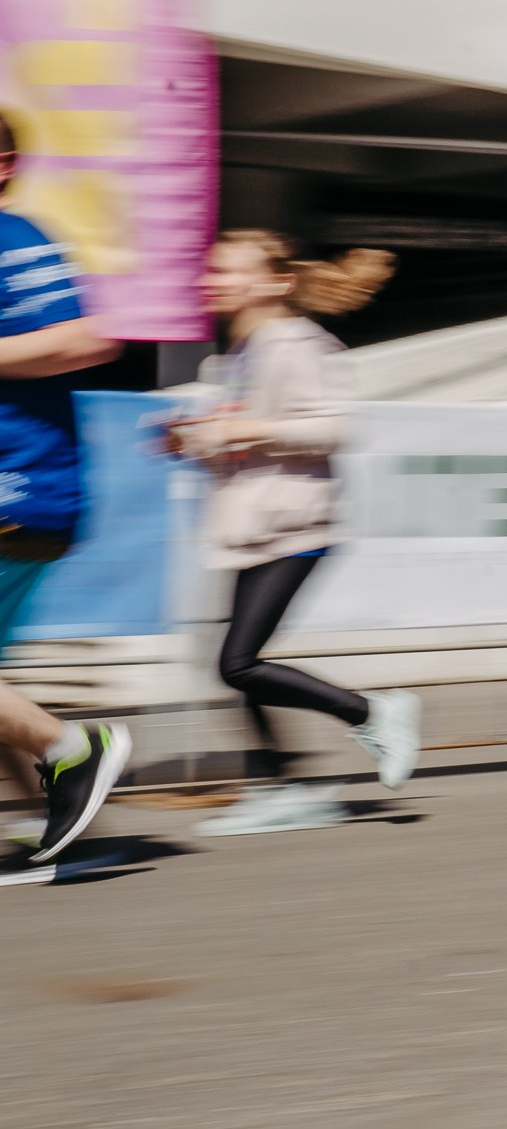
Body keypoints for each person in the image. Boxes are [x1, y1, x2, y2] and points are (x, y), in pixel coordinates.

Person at [167, 232, 418, 836]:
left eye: (227, 270)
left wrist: (240, 429)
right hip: (257, 523)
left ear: (274, 282)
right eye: (212, 270)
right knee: (231, 661)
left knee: (237, 664)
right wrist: (197, 439)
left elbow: (334, 425)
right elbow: (247, 438)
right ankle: (287, 785)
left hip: (297, 523)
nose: (213, 280)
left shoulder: (295, 342)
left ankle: (369, 711)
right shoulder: (238, 354)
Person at [0, 108, 130, 879]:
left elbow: (90, 338)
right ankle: (54, 827)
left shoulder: (16, 238)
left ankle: (72, 748)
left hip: (17, 487)